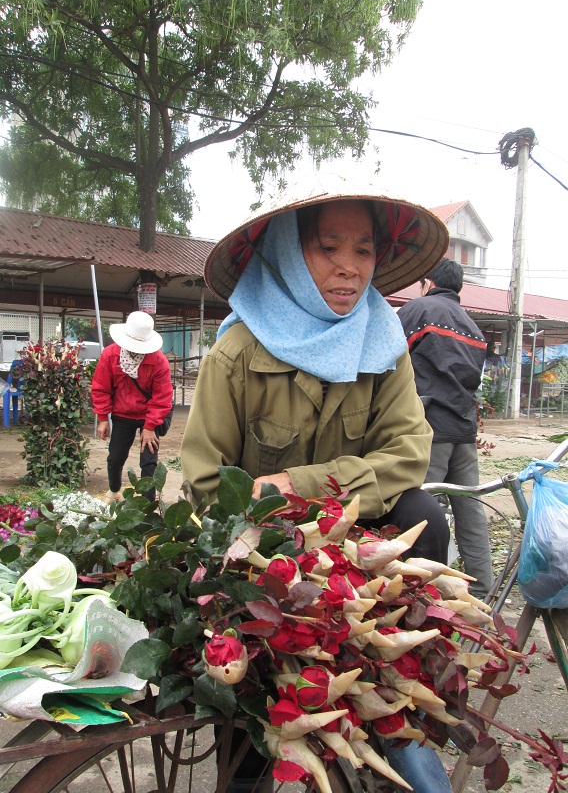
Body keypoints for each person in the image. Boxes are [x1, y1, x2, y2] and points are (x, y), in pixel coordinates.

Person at [181, 175, 455, 793]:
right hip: (265, 550)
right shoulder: (237, 355)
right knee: (250, 687)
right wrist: (274, 516)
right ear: (288, 254)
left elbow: (409, 452)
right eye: (328, 247)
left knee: (427, 515)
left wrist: (296, 484)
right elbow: (203, 480)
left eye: (363, 251)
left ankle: (399, 708)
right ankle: (248, 760)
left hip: (357, 549)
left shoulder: (384, 344)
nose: (348, 269)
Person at [397, 259, 494, 598]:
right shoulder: (474, 328)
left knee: (419, 513)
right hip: (464, 430)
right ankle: (483, 590)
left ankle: (420, 595)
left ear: (426, 282)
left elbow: (385, 355)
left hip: (429, 429)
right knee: (470, 511)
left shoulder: (418, 310)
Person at [91, 311, 173, 504]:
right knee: (116, 457)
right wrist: (103, 418)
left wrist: (150, 427)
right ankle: (113, 491)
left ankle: (148, 504)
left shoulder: (159, 361)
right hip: (123, 413)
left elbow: (162, 397)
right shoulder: (110, 354)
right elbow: (101, 387)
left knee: (148, 461)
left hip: (149, 415)